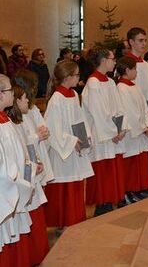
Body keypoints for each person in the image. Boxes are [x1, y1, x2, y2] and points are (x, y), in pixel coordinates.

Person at [44, 60, 94, 229]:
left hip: (76, 146)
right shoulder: (56, 99)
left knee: (76, 184)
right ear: (67, 77)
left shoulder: (73, 95)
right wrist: (72, 141)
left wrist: (85, 137)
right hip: (63, 151)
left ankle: (75, 220)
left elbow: (80, 119)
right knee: (65, 188)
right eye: (77, 74)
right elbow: (53, 129)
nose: (79, 77)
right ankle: (64, 222)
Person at [7, 84, 49, 266]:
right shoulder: (10, 125)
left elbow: (25, 148)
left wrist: (35, 163)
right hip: (21, 180)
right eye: (25, 98)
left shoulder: (16, 122)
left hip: (28, 174)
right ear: (16, 100)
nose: (28, 102)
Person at [82, 47, 128, 215]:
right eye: (112, 58)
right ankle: (102, 204)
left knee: (112, 168)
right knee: (103, 170)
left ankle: (111, 199)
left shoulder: (109, 81)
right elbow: (98, 112)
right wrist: (112, 133)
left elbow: (118, 107)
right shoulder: (93, 83)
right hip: (101, 134)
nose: (114, 61)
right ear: (103, 60)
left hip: (112, 133)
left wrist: (121, 128)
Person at [0, 74, 33, 267]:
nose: (14, 92)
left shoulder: (5, 120)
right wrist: (19, 183)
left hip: (15, 184)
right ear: (1, 95)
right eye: (11, 90)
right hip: (7, 189)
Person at [116, 57, 148, 202]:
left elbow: (144, 108)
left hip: (140, 131)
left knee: (138, 163)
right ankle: (126, 192)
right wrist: (143, 127)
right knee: (130, 165)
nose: (136, 72)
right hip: (131, 134)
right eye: (134, 69)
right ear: (127, 70)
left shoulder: (134, 86)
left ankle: (135, 190)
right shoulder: (121, 88)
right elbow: (128, 112)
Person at [126, 27, 148, 185]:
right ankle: (134, 186)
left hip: (147, 113)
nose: (144, 44)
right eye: (140, 40)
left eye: (145, 40)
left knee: (146, 150)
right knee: (134, 152)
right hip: (135, 115)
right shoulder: (125, 65)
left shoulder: (145, 64)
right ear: (131, 42)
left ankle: (145, 184)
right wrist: (142, 115)